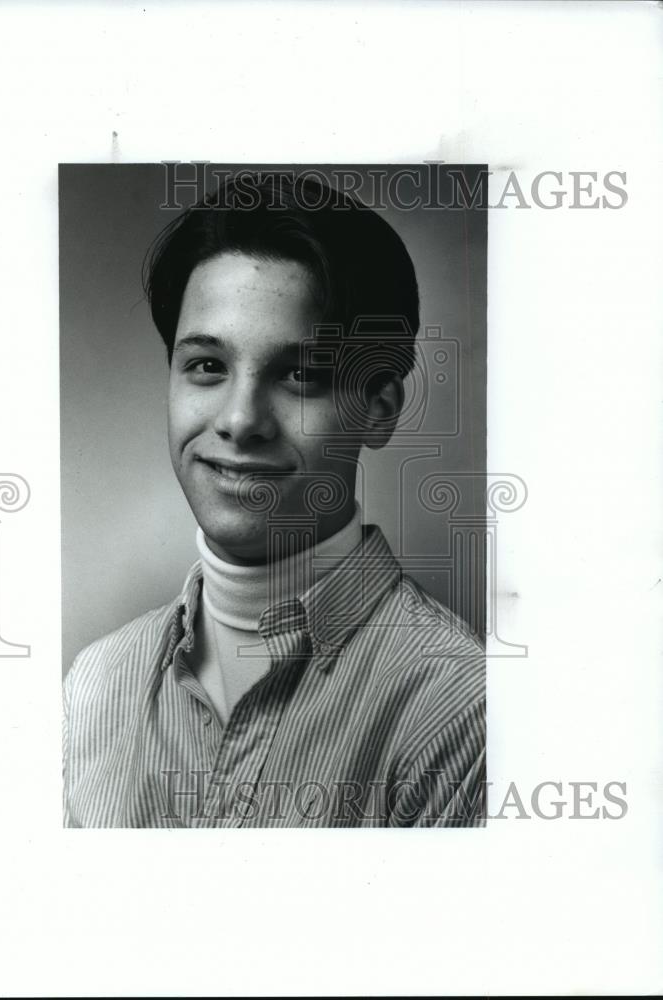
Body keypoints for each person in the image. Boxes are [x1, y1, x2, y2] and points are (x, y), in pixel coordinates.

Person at [63, 172, 485, 828]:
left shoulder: (459, 707)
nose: (239, 420)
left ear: (377, 411)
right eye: (206, 365)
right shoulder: (97, 682)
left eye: (300, 375)